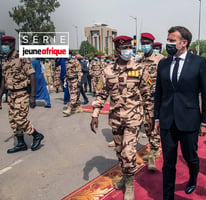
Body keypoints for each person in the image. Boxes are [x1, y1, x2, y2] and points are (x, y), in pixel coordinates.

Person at [90, 36, 153, 200]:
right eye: (124, 47)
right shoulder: (108, 70)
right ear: (117, 49)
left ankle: (130, 183)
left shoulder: (140, 67)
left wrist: (150, 117)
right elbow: (101, 93)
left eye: (129, 47)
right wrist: (95, 114)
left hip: (134, 118)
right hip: (116, 119)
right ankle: (125, 177)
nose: (127, 50)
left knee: (128, 152)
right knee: (119, 152)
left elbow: (148, 93)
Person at [154, 26, 206, 199]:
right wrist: (156, 117)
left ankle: (193, 177)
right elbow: (159, 93)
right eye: (168, 39)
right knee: (168, 163)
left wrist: (204, 121)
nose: (168, 43)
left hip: (189, 120)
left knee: (190, 156)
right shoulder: (163, 63)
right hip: (167, 121)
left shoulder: (198, 62)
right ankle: (168, 196)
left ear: (184, 43)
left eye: (172, 40)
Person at [0, 36, 44, 153]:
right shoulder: (5, 60)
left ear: (13, 44)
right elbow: (4, 79)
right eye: (2, 43)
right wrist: (0, 94)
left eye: (6, 43)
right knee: (13, 120)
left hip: (22, 93)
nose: (3, 46)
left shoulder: (21, 57)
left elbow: (32, 75)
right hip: (11, 95)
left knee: (19, 118)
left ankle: (36, 135)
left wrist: (32, 96)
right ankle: (20, 143)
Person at [140, 32, 164, 170]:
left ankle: (155, 149)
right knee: (147, 125)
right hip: (143, 99)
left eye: (146, 43)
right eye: (142, 43)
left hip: (155, 99)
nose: (144, 46)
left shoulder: (160, 59)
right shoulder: (139, 61)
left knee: (152, 123)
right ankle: (154, 146)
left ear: (152, 44)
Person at [62, 50, 82, 116]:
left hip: (75, 80)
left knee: (73, 94)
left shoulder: (75, 61)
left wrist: (79, 81)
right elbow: (67, 72)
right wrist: (65, 80)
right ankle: (79, 107)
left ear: (70, 54)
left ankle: (69, 109)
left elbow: (79, 71)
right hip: (69, 80)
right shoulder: (66, 62)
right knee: (74, 93)